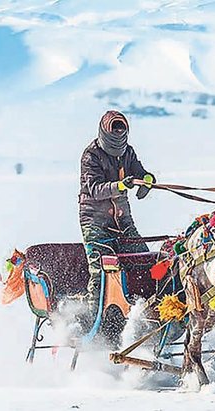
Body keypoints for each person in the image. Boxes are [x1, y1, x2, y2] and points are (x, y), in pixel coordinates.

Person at [77, 110, 155, 316]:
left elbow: (139, 171)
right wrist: (120, 185)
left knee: (144, 260)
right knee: (99, 274)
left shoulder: (127, 152)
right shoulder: (91, 155)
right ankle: (90, 320)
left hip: (123, 220)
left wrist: (147, 179)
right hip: (95, 222)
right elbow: (95, 189)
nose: (118, 133)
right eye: (115, 129)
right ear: (105, 131)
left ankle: (148, 312)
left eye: (122, 129)